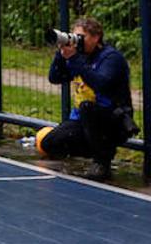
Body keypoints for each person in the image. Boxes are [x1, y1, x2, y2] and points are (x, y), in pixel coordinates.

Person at [41, 17, 135, 180]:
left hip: (113, 120)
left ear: (96, 37)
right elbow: (55, 78)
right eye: (75, 36)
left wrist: (75, 60)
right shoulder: (79, 56)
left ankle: (102, 162)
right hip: (83, 121)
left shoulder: (111, 58)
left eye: (82, 37)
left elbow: (101, 84)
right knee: (50, 143)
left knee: (87, 107)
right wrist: (61, 54)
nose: (78, 41)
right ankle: (98, 148)